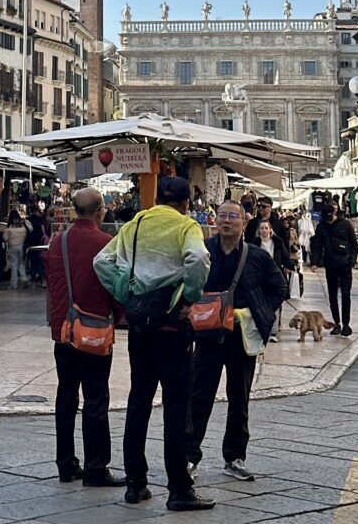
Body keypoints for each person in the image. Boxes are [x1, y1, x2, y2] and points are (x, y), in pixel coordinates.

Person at [94, 177, 214, 512]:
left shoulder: (135, 223)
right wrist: (190, 296)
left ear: (157, 198)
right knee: (176, 408)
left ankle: (135, 483)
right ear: (185, 203)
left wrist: (125, 292)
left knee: (139, 402)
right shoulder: (186, 225)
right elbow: (198, 259)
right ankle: (179, 489)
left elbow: (101, 262)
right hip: (173, 327)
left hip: (140, 326)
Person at [186, 200, 287, 483]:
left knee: (239, 398)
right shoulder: (203, 251)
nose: (226, 221)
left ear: (245, 222)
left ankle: (234, 456)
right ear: (215, 220)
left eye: (233, 217)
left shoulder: (256, 256)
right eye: (222, 216)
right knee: (198, 396)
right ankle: (189, 455)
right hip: (208, 337)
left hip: (241, 338)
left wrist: (257, 315)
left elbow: (279, 287)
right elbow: (187, 284)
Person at [45, 187, 125, 487]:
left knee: (66, 397)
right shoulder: (106, 243)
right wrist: (115, 318)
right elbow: (116, 289)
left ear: (74, 210)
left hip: (64, 332)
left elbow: (52, 284)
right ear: (100, 211)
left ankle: (66, 465)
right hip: (94, 333)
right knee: (95, 398)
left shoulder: (57, 241)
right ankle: (96, 468)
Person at [310, 203, 358, 337]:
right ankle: (337, 323)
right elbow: (318, 246)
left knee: (345, 294)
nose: (328, 220)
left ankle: (346, 324)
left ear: (335, 213)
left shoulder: (346, 224)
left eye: (330, 217)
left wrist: (351, 262)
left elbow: (355, 245)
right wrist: (315, 262)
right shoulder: (322, 226)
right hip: (330, 265)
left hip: (344, 265)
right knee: (332, 296)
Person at [250, 219, 294, 342]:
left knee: (276, 303)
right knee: (259, 302)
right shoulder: (254, 244)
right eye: (262, 228)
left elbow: (285, 257)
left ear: (270, 230)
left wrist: (292, 266)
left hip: (276, 277)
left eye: (266, 228)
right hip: (259, 278)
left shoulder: (277, 243)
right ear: (258, 230)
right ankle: (261, 328)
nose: (264, 231)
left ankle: (273, 331)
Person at [2, 209, 29, 289]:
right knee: (21, 263)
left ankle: (14, 284)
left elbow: (5, 238)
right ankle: (24, 278)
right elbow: (26, 233)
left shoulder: (9, 228)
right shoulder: (22, 226)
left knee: (14, 265)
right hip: (21, 245)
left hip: (12, 246)